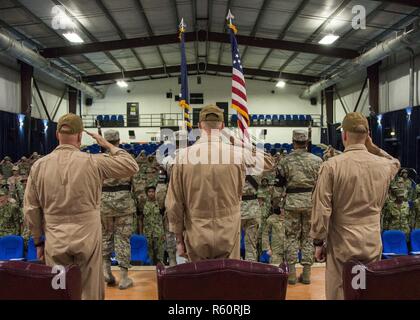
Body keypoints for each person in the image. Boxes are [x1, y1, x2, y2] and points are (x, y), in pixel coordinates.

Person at [24, 113, 139, 300]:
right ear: (79, 136)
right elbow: (131, 165)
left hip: (55, 237)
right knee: (90, 291)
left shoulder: (38, 166)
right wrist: (108, 145)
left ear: (56, 135)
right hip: (88, 236)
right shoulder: (93, 162)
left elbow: (31, 208)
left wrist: (38, 241)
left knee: (59, 290)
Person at [166, 105, 274, 262]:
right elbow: (269, 162)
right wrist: (239, 142)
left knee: (201, 278)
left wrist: (178, 240)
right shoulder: (238, 154)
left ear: (199, 125)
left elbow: (174, 203)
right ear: (222, 126)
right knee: (227, 280)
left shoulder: (182, 157)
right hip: (228, 230)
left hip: (196, 229)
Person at [310, 112, 400, 300]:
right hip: (371, 239)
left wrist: (318, 242)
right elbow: (396, 162)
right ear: (368, 136)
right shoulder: (384, 166)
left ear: (344, 135)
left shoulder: (332, 166)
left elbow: (322, 208)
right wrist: (373, 147)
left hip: (342, 240)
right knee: (366, 289)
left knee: (340, 288)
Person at [278, 129, 322, 285]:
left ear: (293, 142)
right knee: (308, 237)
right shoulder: (317, 161)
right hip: (310, 202)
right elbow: (321, 186)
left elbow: (279, 185)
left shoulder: (285, 161)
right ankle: (307, 274)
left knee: (291, 237)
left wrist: (277, 205)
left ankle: (291, 274)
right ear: (307, 142)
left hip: (291, 203)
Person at [100, 129, 137, 290]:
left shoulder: (98, 160)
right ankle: (123, 278)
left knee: (105, 238)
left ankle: (106, 272)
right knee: (123, 240)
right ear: (118, 141)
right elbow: (136, 185)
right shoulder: (126, 159)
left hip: (103, 205)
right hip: (124, 205)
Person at [140, 185, 165, 264]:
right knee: (148, 251)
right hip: (147, 232)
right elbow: (140, 219)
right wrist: (141, 233)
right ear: (147, 193)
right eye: (149, 192)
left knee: (160, 251)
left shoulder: (160, 204)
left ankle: (161, 265)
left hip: (158, 231)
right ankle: (149, 266)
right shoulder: (144, 205)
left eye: (153, 192)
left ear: (155, 193)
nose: (151, 193)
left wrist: (164, 232)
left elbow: (164, 219)